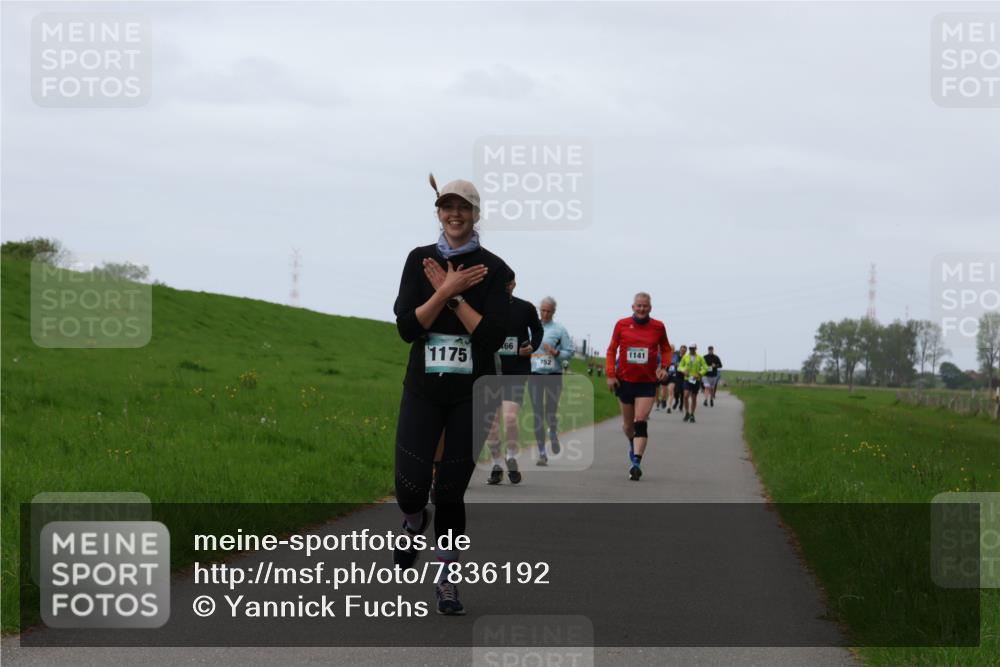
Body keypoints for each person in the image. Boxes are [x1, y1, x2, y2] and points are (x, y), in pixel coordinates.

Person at [392, 176, 509, 615]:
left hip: (470, 395)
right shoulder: (418, 260)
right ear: (438, 212)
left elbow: (493, 336)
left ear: (476, 213)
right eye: (447, 207)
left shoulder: (493, 268)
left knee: (450, 493)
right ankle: (411, 521)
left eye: (463, 207)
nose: (454, 214)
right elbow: (407, 327)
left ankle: (447, 580)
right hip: (423, 390)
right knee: (410, 488)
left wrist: (456, 298)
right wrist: (442, 289)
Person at [484, 269, 543, 485]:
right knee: (491, 423)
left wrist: (532, 346)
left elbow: (537, 331)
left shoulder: (525, 308)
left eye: (508, 284)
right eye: (501, 284)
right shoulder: (485, 307)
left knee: (509, 418)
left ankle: (510, 456)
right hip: (491, 370)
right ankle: (496, 464)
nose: (505, 288)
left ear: (513, 285)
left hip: (517, 370)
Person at [605, 292, 672, 481]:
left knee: (640, 419)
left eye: (645, 306)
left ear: (650, 308)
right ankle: (632, 444)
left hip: (647, 382)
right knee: (628, 426)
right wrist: (610, 375)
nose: (642, 309)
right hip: (625, 381)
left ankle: (636, 462)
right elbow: (611, 350)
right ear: (633, 307)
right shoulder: (622, 324)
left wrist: (664, 367)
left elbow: (666, 349)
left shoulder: (658, 327)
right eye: (638, 306)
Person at [528, 297, 574, 466]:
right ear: (540, 310)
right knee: (537, 413)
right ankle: (542, 452)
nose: (545, 314)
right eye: (543, 310)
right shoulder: (531, 328)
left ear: (554, 312)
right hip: (535, 375)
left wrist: (555, 353)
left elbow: (570, 352)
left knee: (551, 410)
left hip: (553, 375)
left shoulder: (559, 330)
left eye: (549, 311)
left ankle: (553, 432)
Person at [678, 344, 709, 423]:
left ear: (696, 348)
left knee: (694, 398)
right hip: (687, 379)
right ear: (689, 349)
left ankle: (692, 414)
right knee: (685, 396)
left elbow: (705, 367)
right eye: (690, 348)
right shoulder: (685, 357)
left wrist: (699, 374)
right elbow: (680, 366)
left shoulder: (700, 357)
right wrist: (683, 370)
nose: (692, 350)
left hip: (696, 379)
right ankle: (687, 413)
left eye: (693, 348)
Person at [665, 345, 686, 413]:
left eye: (672, 349)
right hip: (666, 375)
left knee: (671, 391)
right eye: (670, 349)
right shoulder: (665, 355)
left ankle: (669, 407)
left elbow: (680, 364)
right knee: (668, 391)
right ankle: (663, 401)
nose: (671, 350)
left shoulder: (676, 356)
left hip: (674, 376)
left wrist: (678, 365)